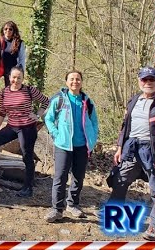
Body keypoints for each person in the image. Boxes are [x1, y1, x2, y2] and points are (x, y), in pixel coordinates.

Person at [108, 68, 155, 240]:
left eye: (151, 79)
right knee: (119, 179)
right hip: (131, 147)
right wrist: (119, 147)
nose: (148, 83)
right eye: (144, 80)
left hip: (152, 149)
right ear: (139, 81)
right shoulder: (134, 100)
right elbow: (125, 126)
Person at [0, 68, 50, 197]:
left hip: (27, 128)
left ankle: (28, 187)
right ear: (9, 77)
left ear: (23, 78)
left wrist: (37, 115)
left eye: (19, 78)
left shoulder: (29, 90)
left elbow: (46, 101)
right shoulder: (4, 92)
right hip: (12, 126)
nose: (16, 80)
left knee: (27, 155)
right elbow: (1, 112)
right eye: (14, 77)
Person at [45, 70, 99, 222]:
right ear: (66, 82)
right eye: (72, 79)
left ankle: (73, 204)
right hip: (63, 145)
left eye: (78, 79)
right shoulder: (59, 99)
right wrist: (55, 133)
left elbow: (94, 121)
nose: (75, 81)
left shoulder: (87, 101)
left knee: (78, 177)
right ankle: (57, 209)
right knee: (60, 177)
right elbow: (48, 118)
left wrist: (92, 139)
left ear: (81, 82)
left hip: (82, 146)